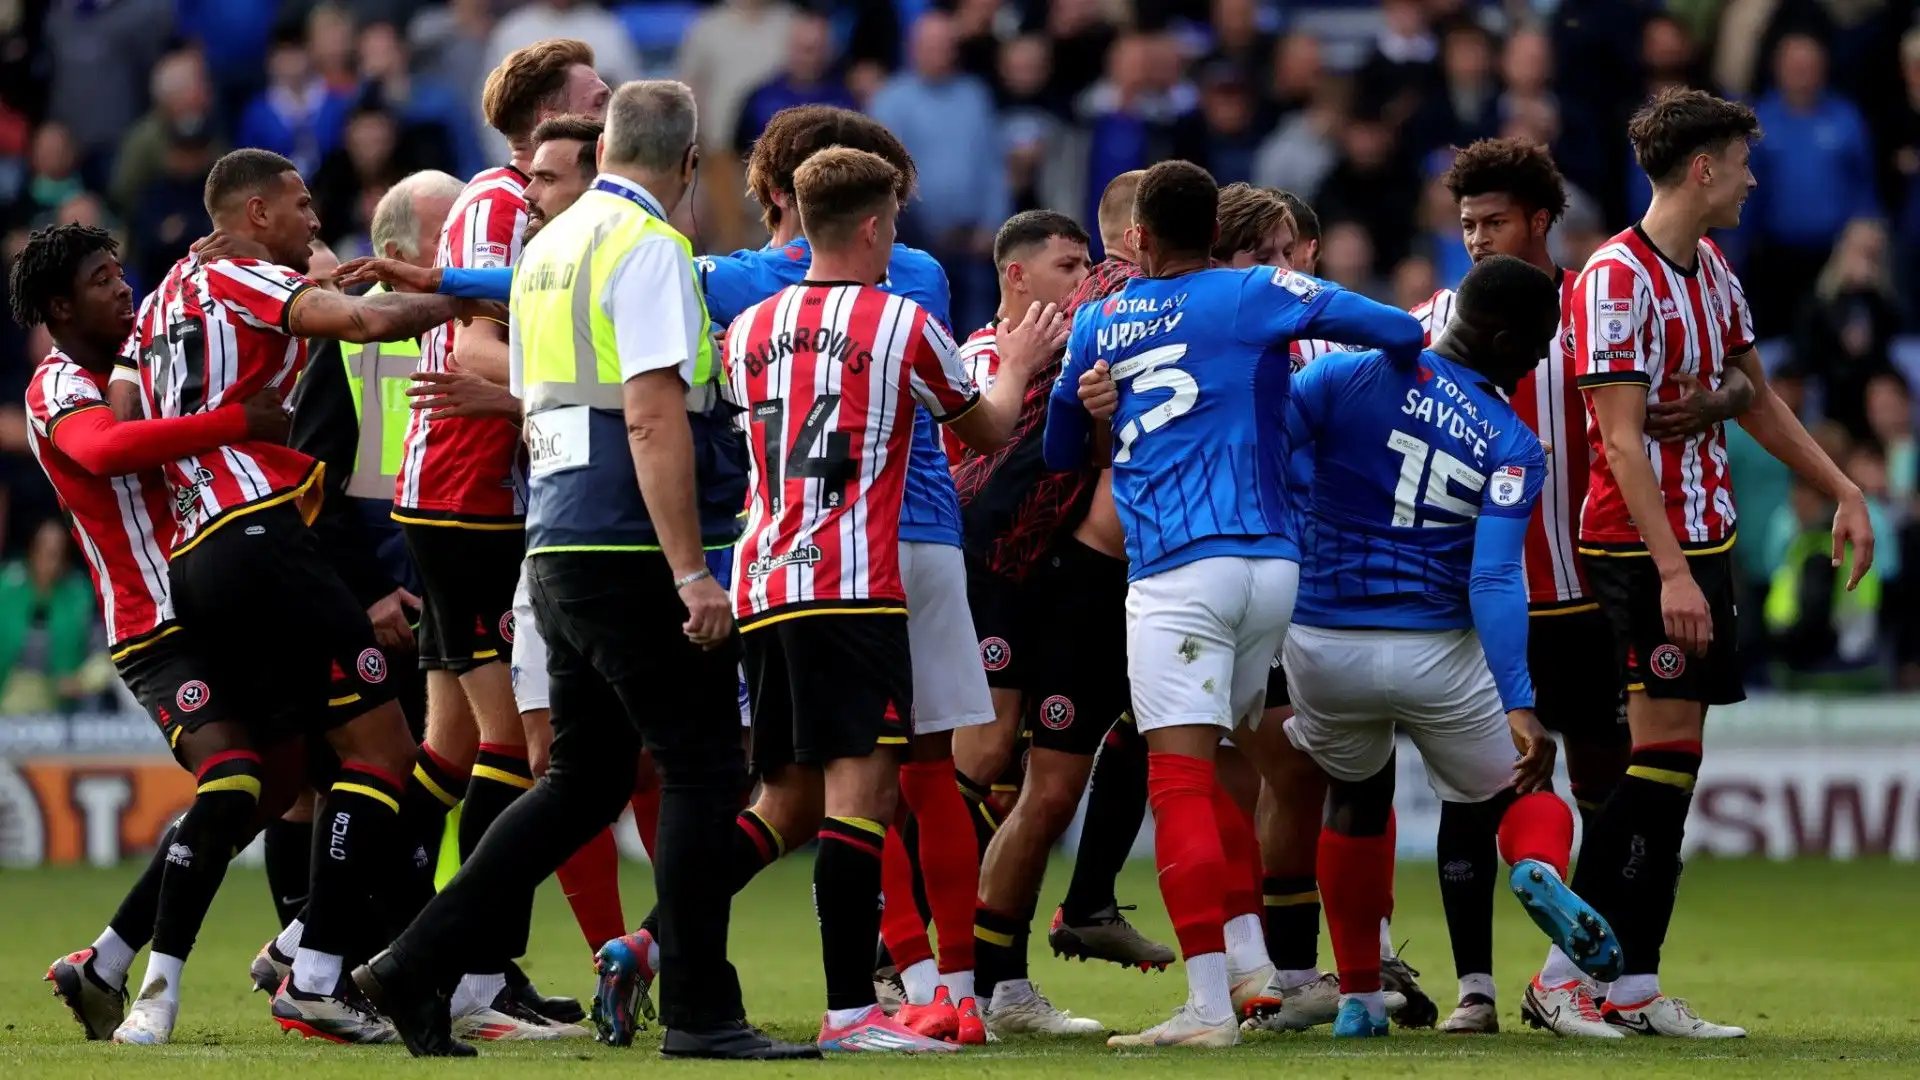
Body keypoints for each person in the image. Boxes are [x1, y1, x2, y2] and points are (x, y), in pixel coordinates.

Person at [354, 79, 813, 1063]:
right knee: (702, 767)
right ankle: (698, 1008)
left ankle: (409, 963)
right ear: (692, 164)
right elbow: (651, 412)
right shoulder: (648, 248)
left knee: (579, 780)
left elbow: (537, 395)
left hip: (554, 541)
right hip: (628, 543)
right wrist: (693, 571)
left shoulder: (549, 245)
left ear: (605, 151)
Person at [1045, 159, 1426, 1049]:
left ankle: (1211, 1006)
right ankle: (1268, 964)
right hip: (1274, 571)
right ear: (1215, 232)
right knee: (1235, 764)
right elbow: (1396, 329)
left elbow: (1064, 453)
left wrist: (1101, 406)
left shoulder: (1100, 319)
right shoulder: (1257, 292)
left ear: (1137, 238)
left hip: (1177, 571)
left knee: (1178, 777)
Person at [129, 147, 487, 1043]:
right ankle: (314, 969)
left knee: (295, 770)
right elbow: (360, 327)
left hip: (195, 554)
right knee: (384, 750)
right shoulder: (249, 275)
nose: (314, 220)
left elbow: (136, 412)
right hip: (261, 537)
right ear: (254, 215)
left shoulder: (165, 294)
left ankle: (221, 961)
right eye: (298, 205)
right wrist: (467, 300)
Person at [1419, 137, 1752, 1037]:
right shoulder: (1434, 321)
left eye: (1494, 221)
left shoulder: (1595, 305)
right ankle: (1476, 991)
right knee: (1478, 788)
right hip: (1486, 599)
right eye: (1467, 223)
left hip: (1583, 592)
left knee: (1628, 785)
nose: (1479, 238)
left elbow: (1691, 396)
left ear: (1538, 220)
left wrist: (1720, 403)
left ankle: (1619, 978)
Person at [722, 144, 1043, 1052]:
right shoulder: (902, 322)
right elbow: (984, 427)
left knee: (780, 799)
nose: (897, 235)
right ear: (873, 226)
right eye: (894, 222)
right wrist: (1013, 362)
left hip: (765, 580)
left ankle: (661, 938)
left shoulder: (746, 331)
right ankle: (851, 1015)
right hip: (854, 584)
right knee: (861, 802)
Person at [1567, 87, 1870, 1039]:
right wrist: (1669, 572)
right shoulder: (1617, 278)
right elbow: (1619, 445)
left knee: (1674, 770)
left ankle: (1631, 987)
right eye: (1743, 161)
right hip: (1639, 549)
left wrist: (1845, 487)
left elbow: (1757, 396)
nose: (1752, 178)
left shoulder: (1712, 269)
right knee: (1659, 764)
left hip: (1707, 539)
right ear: (1703, 167)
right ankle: (1566, 967)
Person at [1279, 253, 1624, 1041]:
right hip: (1433, 649)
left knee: (1354, 798)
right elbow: (1497, 575)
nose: (1541, 359)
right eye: (1537, 344)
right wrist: (1520, 704)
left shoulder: (1342, 380)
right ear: (1502, 337)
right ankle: (1532, 865)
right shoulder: (1512, 442)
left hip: (1323, 640)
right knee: (1525, 794)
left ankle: (1361, 1001)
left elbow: (1271, 451)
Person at [20, 223, 295, 1045]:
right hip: (152, 626)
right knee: (235, 778)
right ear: (61, 306)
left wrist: (205, 262)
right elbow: (103, 452)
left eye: (120, 270)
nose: (121, 287)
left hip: (220, 603)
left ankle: (109, 960)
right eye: (102, 279)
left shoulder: (151, 354)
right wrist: (236, 422)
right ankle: (156, 991)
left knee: (289, 782)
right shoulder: (56, 386)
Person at [397, 38, 610, 1037]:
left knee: (447, 744)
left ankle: (324, 943)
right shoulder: (498, 199)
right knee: (512, 748)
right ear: (542, 114)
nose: (607, 108)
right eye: (593, 97)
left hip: (471, 493)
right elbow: (474, 341)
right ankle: (475, 979)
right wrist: (571, 387)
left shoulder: (544, 208)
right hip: (465, 493)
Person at [958, 176, 1178, 1025]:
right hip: (989, 567)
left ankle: (1006, 970)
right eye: (1066, 264)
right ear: (1018, 276)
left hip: (1046, 573)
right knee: (979, 767)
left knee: (1046, 772)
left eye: (1086, 262)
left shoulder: (1093, 349)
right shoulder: (997, 347)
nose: (1082, 276)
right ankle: (905, 948)